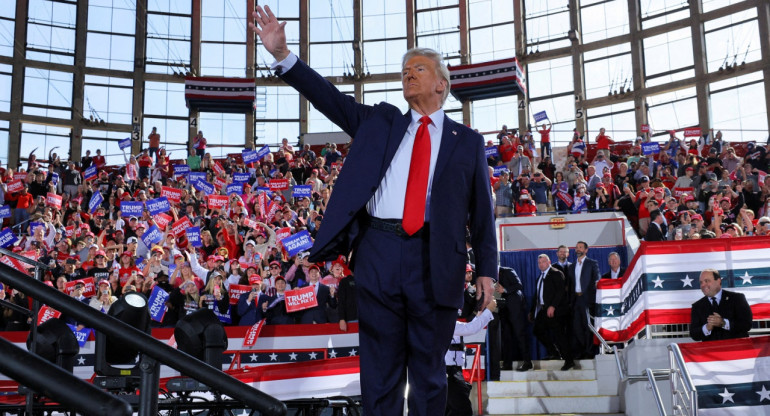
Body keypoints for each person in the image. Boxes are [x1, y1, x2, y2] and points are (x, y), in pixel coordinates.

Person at [250, 7, 497, 416]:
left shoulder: (468, 141)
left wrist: (487, 270)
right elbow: (330, 99)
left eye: (418, 68)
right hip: (378, 253)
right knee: (379, 376)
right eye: (405, 69)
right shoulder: (381, 120)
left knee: (429, 375)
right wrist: (284, 56)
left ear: (441, 84)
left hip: (436, 260)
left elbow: (482, 215)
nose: (408, 73)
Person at [445, 298, 496, 416]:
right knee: (462, 409)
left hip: (451, 371)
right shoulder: (445, 322)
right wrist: (488, 311)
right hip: (449, 372)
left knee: (451, 409)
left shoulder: (443, 321)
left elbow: (469, 326)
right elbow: (471, 328)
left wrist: (481, 313)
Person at [530, 254, 573, 371]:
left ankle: (569, 361)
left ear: (549, 262)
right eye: (539, 263)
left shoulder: (556, 273)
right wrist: (532, 311)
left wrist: (553, 306)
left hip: (557, 311)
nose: (541, 264)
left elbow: (560, 292)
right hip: (543, 310)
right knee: (537, 330)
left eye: (543, 262)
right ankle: (554, 352)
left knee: (560, 335)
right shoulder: (539, 278)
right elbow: (537, 296)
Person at [689, 269, 752, 341]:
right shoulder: (697, 306)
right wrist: (707, 328)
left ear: (718, 281)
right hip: (711, 351)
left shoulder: (737, 298)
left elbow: (747, 324)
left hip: (736, 349)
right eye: (701, 282)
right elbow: (694, 334)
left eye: (707, 281)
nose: (703, 285)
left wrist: (724, 323)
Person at [567, 241, 600, 359]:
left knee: (588, 326)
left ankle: (590, 351)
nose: (578, 249)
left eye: (581, 247)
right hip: (576, 300)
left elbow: (597, 279)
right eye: (576, 247)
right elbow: (570, 285)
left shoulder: (592, 263)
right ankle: (581, 351)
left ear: (586, 250)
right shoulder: (571, 267)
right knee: (577, 327)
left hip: (587, 299)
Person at [495, 266, 531, 372]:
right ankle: (507, 364)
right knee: (506, 337)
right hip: (503, 309)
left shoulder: (507, 270)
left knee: (520, 334)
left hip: (515, 307)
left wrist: (504, 289)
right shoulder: (490, 276)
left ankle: (527, 362)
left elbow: (519, 285)